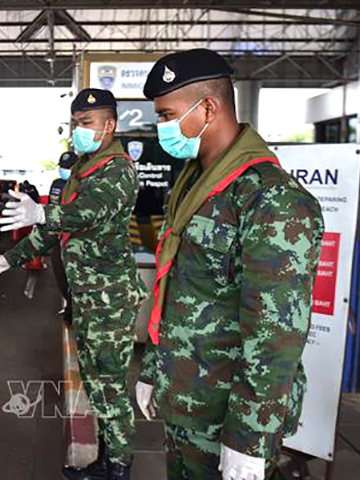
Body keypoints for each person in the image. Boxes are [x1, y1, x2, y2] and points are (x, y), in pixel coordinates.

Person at [134, 49, 324, 480]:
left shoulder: (271, 199)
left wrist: (249, 437)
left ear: (208, 108)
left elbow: (275, 334)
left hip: (229, 418)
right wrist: (153, 368)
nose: (160, 127)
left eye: (166, 115)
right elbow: (176, 289)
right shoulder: (192, 183)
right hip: (185, 400)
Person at [0, 89, 146, 480]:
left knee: (110, 389)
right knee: (96, 384)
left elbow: (82, 213)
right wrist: (10, 258)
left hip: (109, 300)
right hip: (88, 297)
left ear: (110, 125)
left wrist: (42, 211)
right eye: (75, 124)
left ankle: (119, 469)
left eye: (86, 124)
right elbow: (57, 231)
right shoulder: (86, 168)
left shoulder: (117, 171)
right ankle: (107, 459)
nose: (79, 131)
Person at [49, 151, 79, 323]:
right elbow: (52, 209)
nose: (64, 170)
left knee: (75, 276)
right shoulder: (57, 184)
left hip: (76, 240)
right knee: (59, 272)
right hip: (58, 237)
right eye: (62, 167)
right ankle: (69, 304)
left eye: (68, 168)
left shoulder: (85, 185)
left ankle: (73, 309)